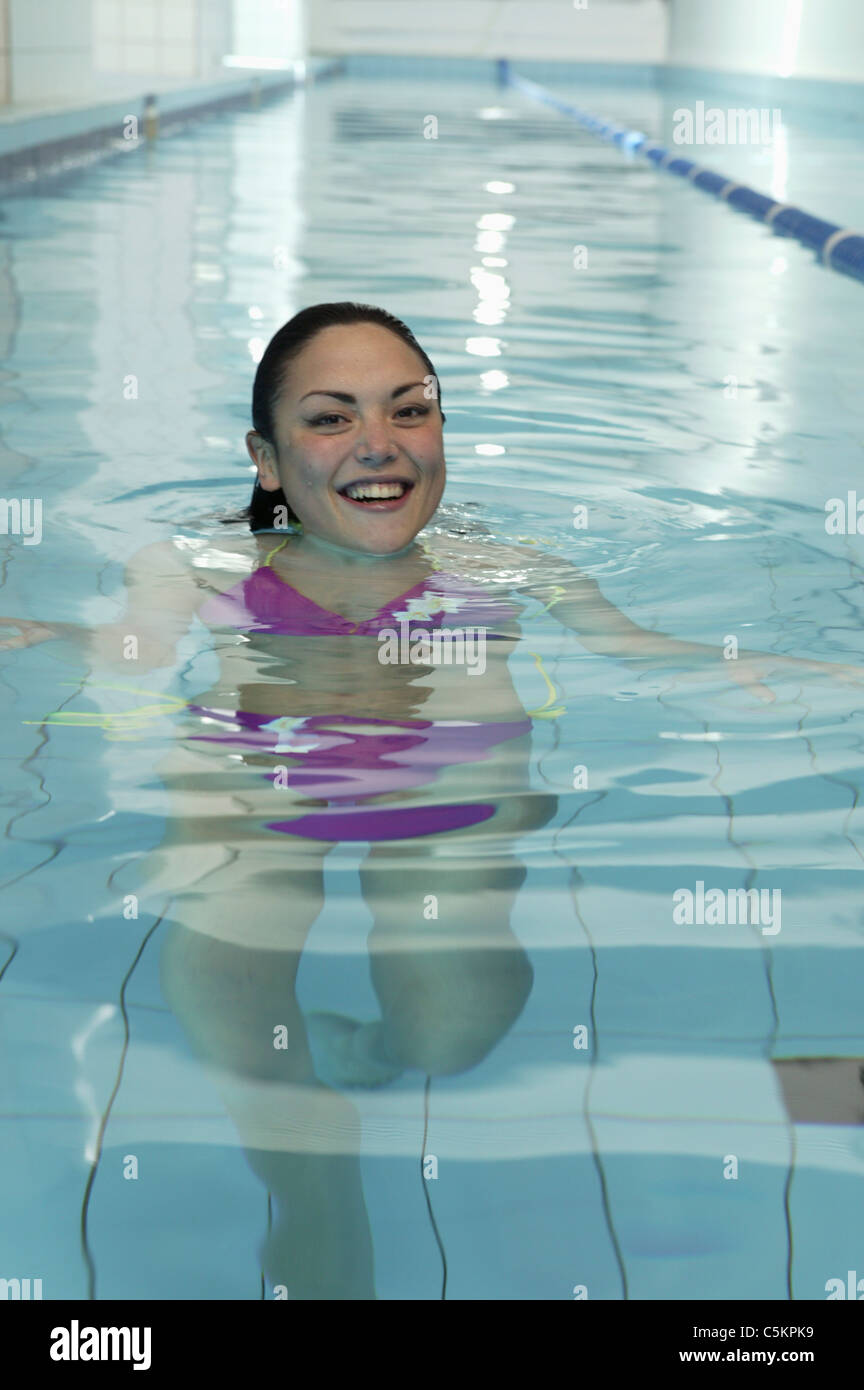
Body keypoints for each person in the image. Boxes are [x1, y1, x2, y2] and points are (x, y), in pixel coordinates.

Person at [3, 302, 862, 1298]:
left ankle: (376, 1049)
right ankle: (315, 1204)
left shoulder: (502, 567)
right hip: (256, 788)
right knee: (236, 1027)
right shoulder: (207, 564)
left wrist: (788, 673)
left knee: (452, 1036)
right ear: (268, 460)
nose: (381, 445)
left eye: (410, 410)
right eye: (331, 419)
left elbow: (646, 656)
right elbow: (130, 654)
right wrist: (48, 640)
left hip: (452, 799)